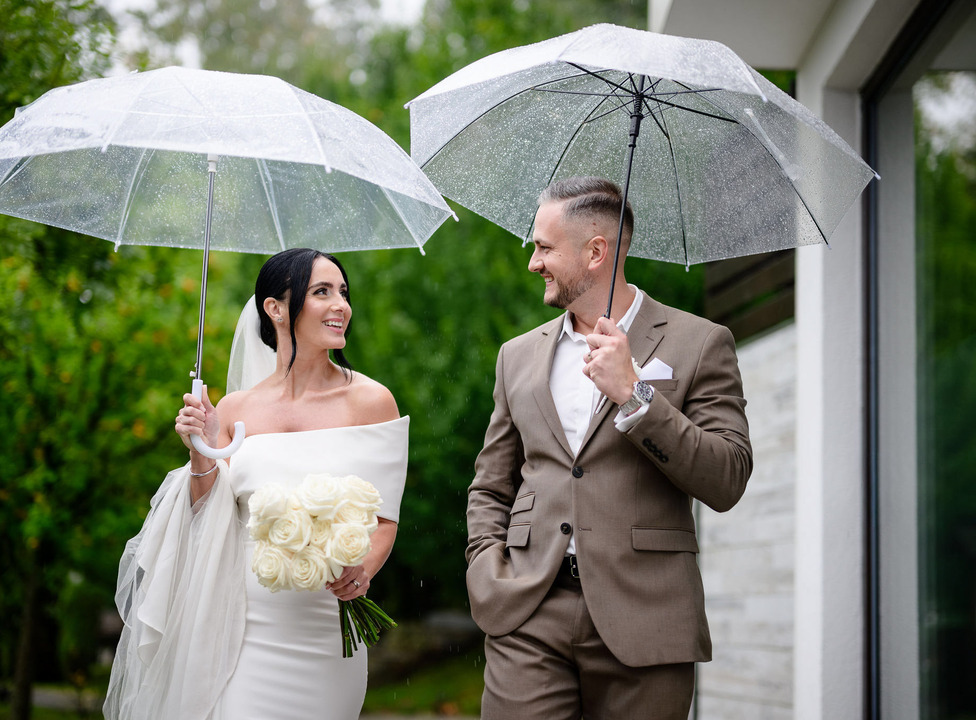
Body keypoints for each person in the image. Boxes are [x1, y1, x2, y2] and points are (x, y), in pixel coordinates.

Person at [466, 176, 753, 719]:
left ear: (596, 251)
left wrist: (635, 395)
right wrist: (487, 566)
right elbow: (492, 482)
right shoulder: (517, 356)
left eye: (544, 247)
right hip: (526, 609)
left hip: (647, 619)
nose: (533, 262)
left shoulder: (700, 342)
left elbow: (728, 477)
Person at [104, 248, 408, 720]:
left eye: (343, 293)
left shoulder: (371, 401)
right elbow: (205, 515)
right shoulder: (232, 410)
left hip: (326, 632)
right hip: (240, 628)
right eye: (322, 292)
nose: (340, 305)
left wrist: (362, 570)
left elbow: (385, 520)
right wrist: (201, 450)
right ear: (276, 308)